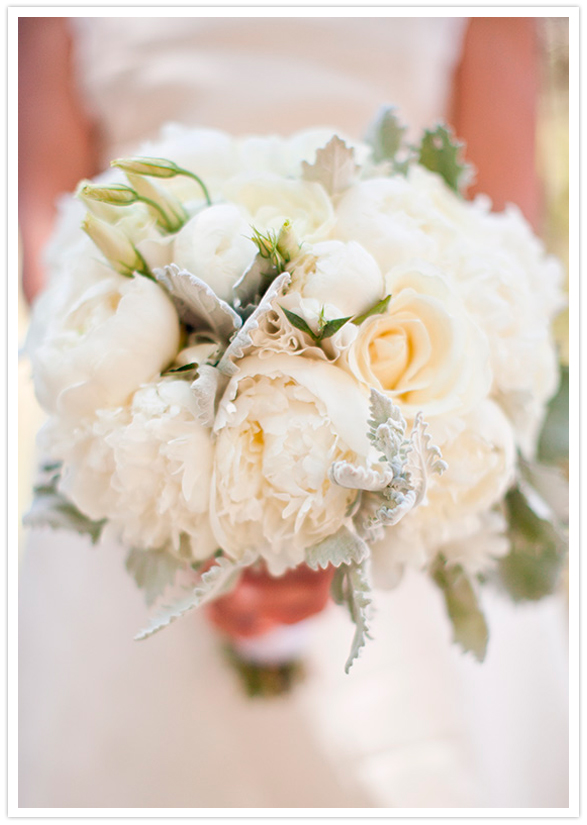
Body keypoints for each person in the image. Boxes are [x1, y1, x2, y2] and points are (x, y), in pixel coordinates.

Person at [18, 16, 568, 808]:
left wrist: (349, 503)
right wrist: (183, 482)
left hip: (405, 437)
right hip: (140, 437)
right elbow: (50, 223)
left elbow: (499, 219)